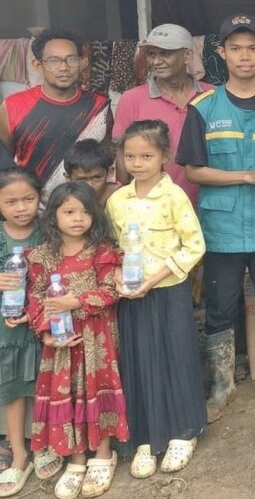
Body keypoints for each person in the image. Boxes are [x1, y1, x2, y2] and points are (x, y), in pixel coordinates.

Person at [176, 13, 255, 421]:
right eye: (235, 48)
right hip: (221, 229)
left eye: (252, 48)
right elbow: (193, 170)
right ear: (221, 53)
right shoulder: (203, 108)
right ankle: (222, 385)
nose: (244, 56)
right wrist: (246, 175)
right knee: (220, 308)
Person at [106, 120, 206, 479]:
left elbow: (194, 245)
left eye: (146, 156)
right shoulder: (117, 201)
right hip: (131, 295)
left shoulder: (174, 196)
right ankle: (146, 437)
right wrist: (117, 275)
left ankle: (183, 431)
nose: (137, 163)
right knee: (139, 359)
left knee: (175, 356)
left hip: (168, 291)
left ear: (165, 156)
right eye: (130, 156)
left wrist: (154, 278)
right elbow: (111, 249)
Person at [25, 182, 128, 499]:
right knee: (69, 393)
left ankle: (103, 453)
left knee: (97, 389)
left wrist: (76, 301)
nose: (78, 218)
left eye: (85, 212)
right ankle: (76, 457)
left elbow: (111, 291)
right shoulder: (42, 256)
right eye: (69, 212)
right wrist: (45, 332)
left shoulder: (102, 251)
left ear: (95, 215)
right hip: (62, 343)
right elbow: (35, 297)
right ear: (53, 215)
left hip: (97, 341)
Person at [0, 170, 62, 496]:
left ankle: (44, 443)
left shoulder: (48, 232)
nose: (21, 207)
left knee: (43, 383)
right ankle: (19, 454)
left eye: (28, 199)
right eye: (11, 202)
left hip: (43, 323)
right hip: (7, 332)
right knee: (11, 388)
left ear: (40, 198)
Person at [0, 30, 110, 204]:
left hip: (86, 209)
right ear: (37, 65)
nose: (64, 67)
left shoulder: (100, 106)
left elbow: (105, 160)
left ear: (82, 63)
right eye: (53, 60)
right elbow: (5, 164)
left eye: (71, 59)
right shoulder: (12, 106)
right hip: (32, 210)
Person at [112, 24, 212, 208]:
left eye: (165, 54)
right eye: (152, 54)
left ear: (187, 56)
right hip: (153, 211)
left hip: (209, 207)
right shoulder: (132, 99)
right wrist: (126, 201)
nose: (156, 61)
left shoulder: (213, 96)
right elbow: (121, 152)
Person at [64, 141, 117, 208]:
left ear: (109, 173)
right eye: (81, 180)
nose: (90, 185)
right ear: (68, 178)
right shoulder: (63, 203)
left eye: (97, 177)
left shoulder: (120, 196)